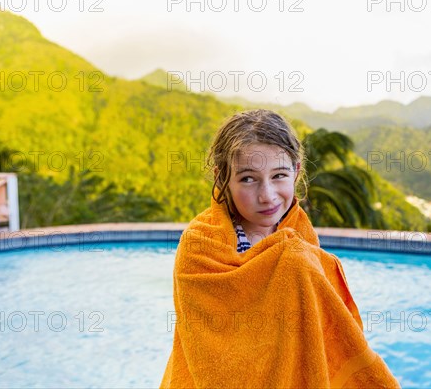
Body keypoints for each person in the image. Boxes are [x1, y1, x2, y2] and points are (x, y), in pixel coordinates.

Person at [160, 109, 400, 388]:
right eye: (248, 179)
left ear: (297, 172)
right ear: (222, 178)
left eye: (279, 175)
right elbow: (207, 347)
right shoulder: (200, 246)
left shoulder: (299, 233)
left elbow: (318, 336)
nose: (267, 195)